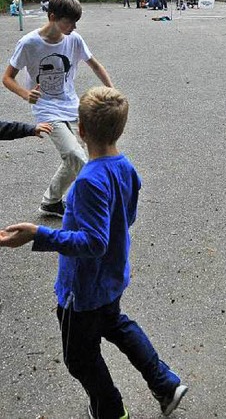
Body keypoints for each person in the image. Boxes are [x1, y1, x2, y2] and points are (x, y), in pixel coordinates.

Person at [0, 87, 188, 419]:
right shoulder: (125, 167)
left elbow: (93, 243)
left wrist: (37, 234)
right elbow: (128, 217)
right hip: (112, 278)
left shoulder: (88, 181)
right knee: (116, 324)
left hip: (82, 291)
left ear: (81, 131)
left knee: (79, 359)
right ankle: (165, 382)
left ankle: (109, 410)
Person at [2, 0, 113, 218]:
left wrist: (112, 89)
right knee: (76, 155)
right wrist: (26, 94)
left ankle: (50, 202)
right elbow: (7, 78)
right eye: (69, 21)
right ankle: (105, 204)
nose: (73, 26)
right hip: (46, 108)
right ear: (52, 17)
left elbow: (95, 65)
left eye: (76, 22)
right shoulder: (29, 43)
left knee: (76, 156)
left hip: (71, 105)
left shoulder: (74, 40)